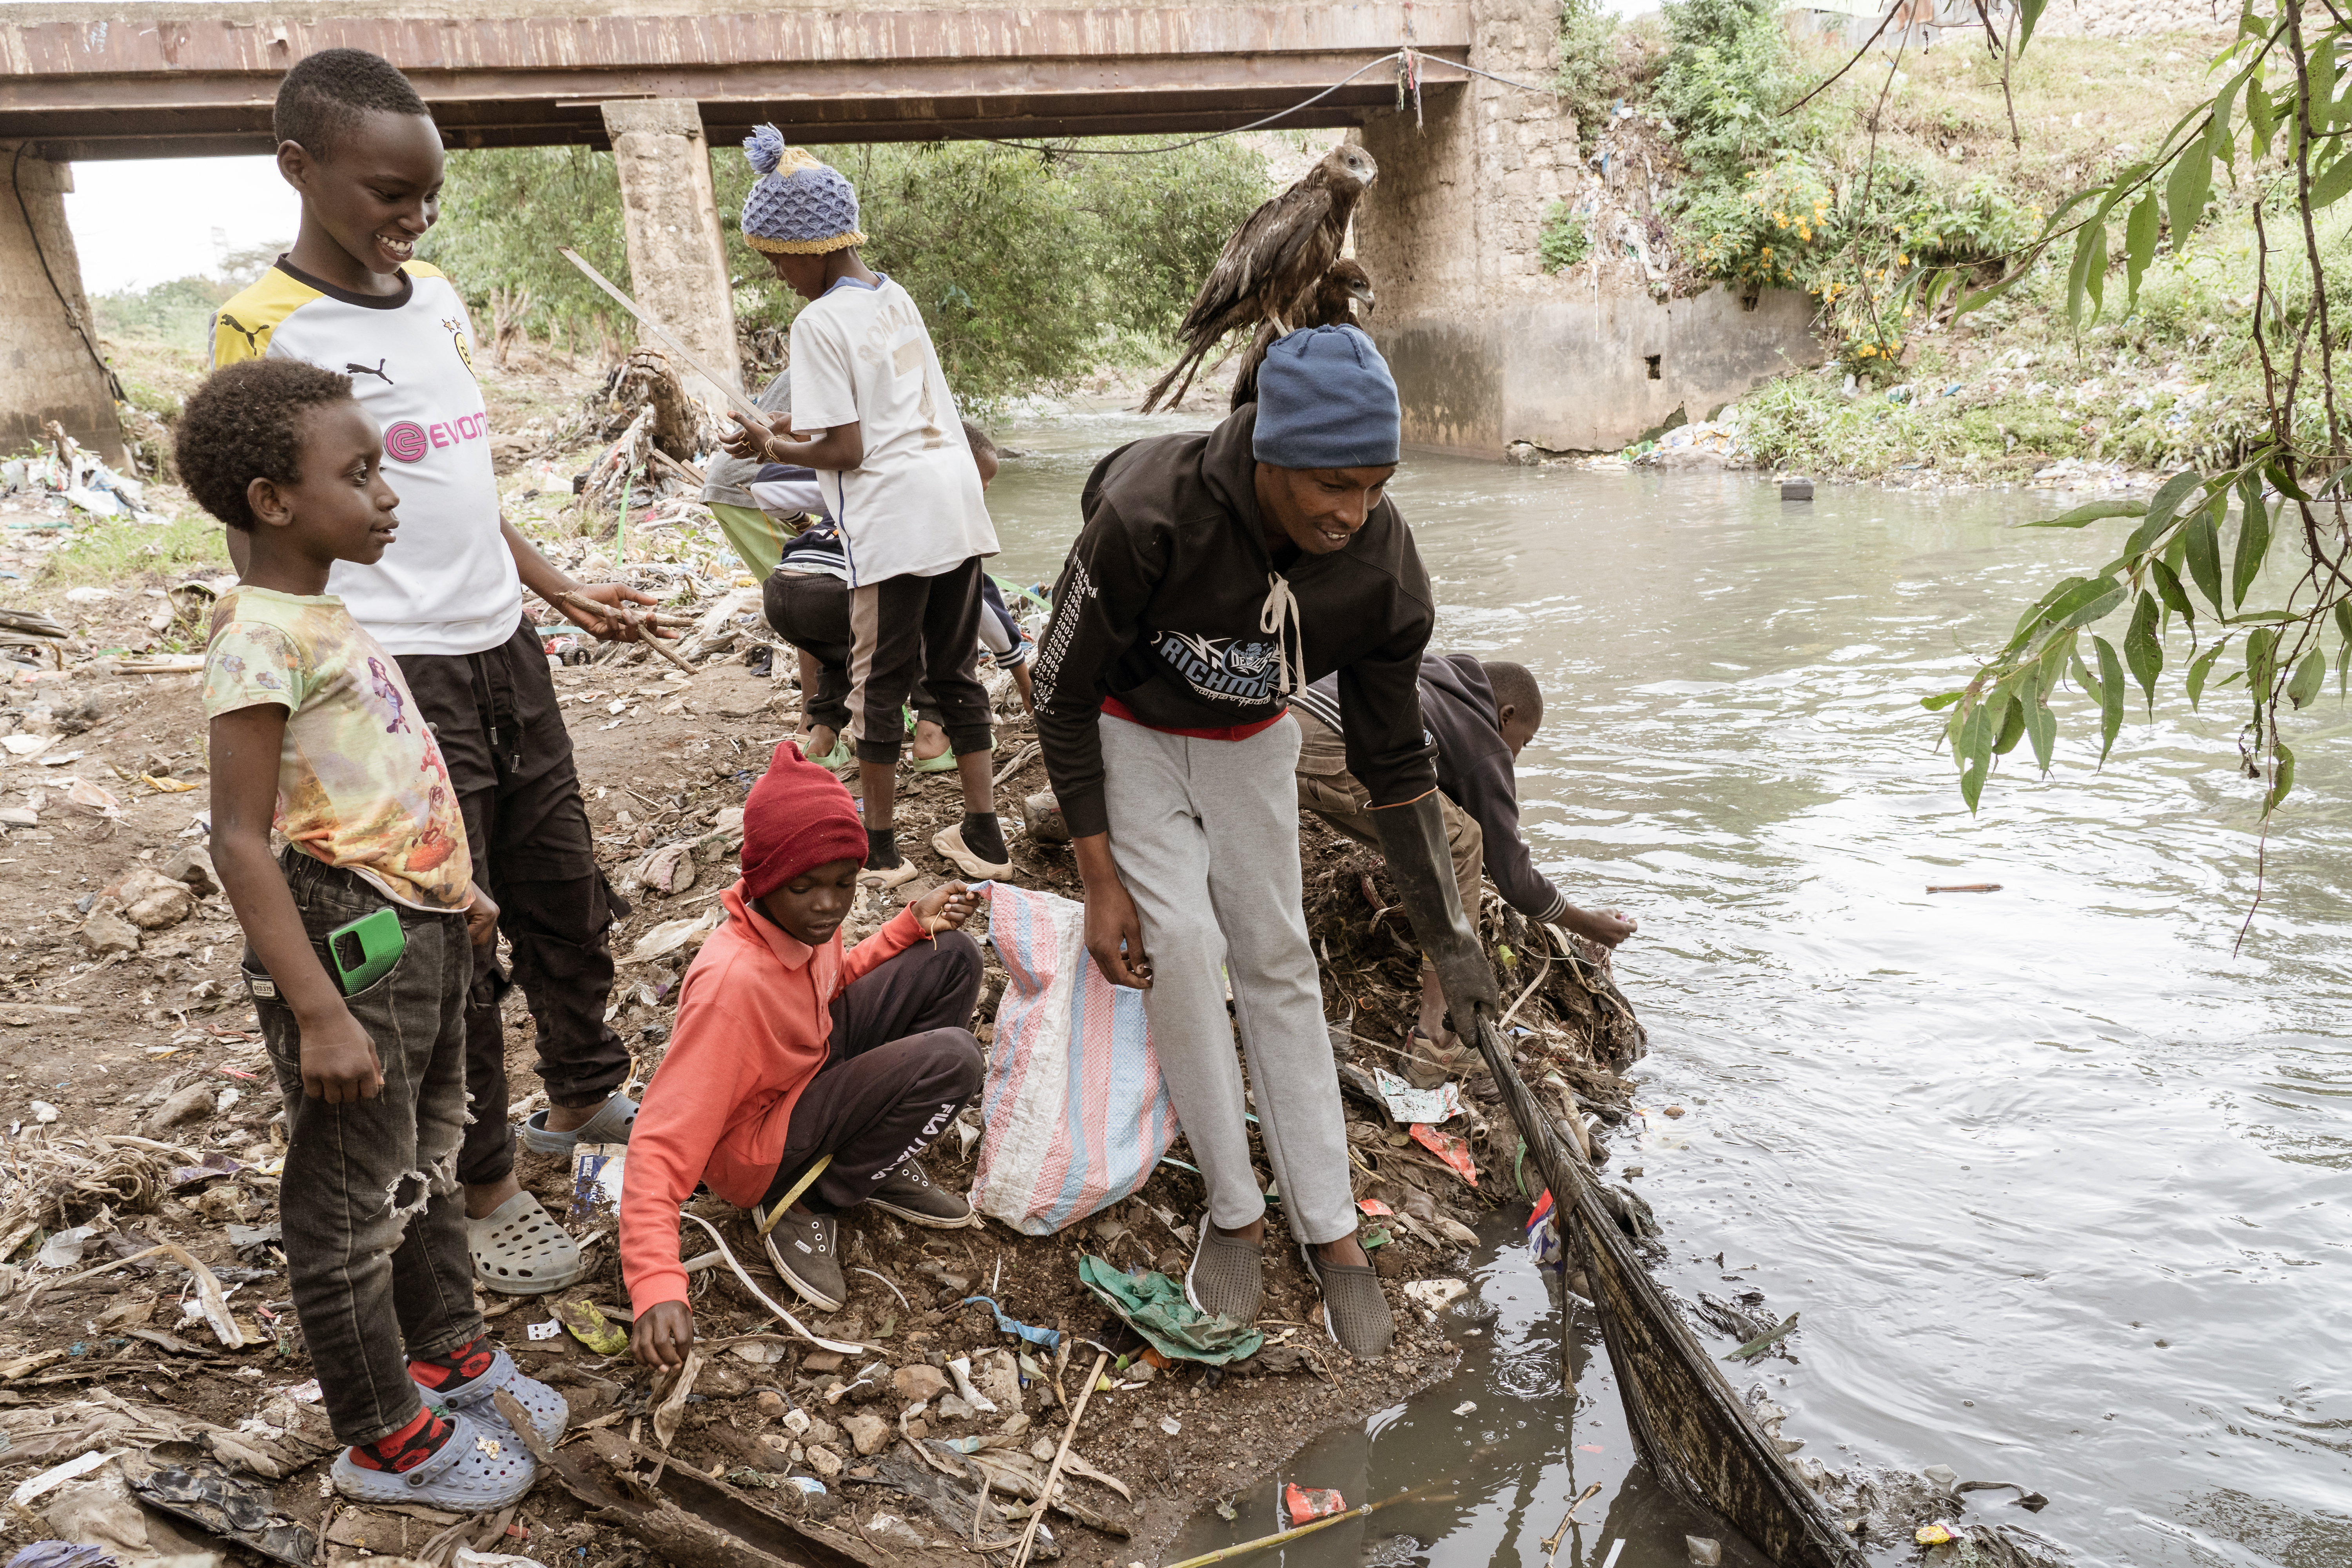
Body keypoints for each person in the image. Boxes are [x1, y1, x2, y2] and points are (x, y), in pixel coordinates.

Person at [209, 47, 666, 1296]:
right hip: (390, 679)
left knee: (563, 886)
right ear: (298, 169)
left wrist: (550, 580)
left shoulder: (438, 297)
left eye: (428, 198)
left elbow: (451, 482)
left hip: (502, 645)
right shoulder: (266, 329)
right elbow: (267, 544)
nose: (410, 220)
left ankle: (583, 1092)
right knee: (446, 936)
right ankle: (485, 1181)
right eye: (385, 193)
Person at [1029, 324, 1497, 1360]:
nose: (1354, 511)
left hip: (1250, 744)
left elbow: (1394, 763)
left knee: (1278, 955)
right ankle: (1234, 1209)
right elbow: (1057, 694)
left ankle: (1330, 1227)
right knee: (1184, 950)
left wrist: (1451, 934)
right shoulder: (1149, 514)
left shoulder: (1381, 568)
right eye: (1334, 483)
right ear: (1270, 452)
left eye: (1376, 485)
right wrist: (1097, 878)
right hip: (1130, 733)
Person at [186, 358, 567, 1506]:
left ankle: (445, 1349)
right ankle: (381, 1433)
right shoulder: (258, 635)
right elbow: (243, 839)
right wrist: (315, 1009)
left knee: (427, 1157)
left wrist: (462, 890)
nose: (389, 494)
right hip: (348, 943)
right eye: (359, 475)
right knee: (351, 1198)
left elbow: (376, 773)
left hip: (418, 926)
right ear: (272, 500)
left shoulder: (319, 611)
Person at [621, 742, 987, 1361]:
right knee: (955, 1059)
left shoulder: (802, 921)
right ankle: (806, 1196)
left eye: (844, 883)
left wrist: (907, 926)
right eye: (806, 887)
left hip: (807, 1070)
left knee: (950, 955)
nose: (828, 904)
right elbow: (660, 1140)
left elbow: (826, 985)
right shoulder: (732, 989)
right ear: (764, 882)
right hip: (757, 1147)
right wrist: (655, 1281)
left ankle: (871, 1156)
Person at [717, 127, 1009, 886]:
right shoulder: (893, 296)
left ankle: (880, 850)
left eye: (777, 257)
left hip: (895, 521)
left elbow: (844, 450)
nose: (778, 274)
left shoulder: (816, 323)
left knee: (878, 683)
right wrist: (775, 427)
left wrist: (769, 448)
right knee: (956, 673)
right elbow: (872, 417)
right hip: (952, 502)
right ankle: (984, 836)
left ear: (811, 247)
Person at [1292, 655, 1637, 1085]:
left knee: (1417, 828)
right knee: (1462, 841)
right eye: (1524, 742)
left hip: (1282, 724)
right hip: (1339, 747)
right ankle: (1436, 1043)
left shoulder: (1440, 680)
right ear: (1505, 715)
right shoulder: (1485, 739)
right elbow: (1514, 876)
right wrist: (1587, 923)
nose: (1516, 755)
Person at [758, 420, 1036, 771]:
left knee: (849, 652)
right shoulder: (941, 516)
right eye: (979, 487)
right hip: (835, 591)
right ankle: (933, 737)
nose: (981, 498)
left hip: (782, 593)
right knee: (930, 633)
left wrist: (805, 523)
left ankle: (822, 741)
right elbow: (978, 605)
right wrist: (1024, 683)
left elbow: (766, 489)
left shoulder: (859, 484)